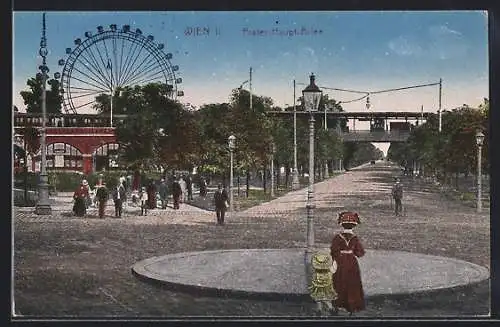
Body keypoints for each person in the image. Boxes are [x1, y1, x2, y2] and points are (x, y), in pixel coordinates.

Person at [330, 211, 365, 316]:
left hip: (340, 261)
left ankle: (337, 304)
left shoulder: (337, 237)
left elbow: (333, 251)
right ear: (354, 226)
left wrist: (335, 259)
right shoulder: (355, 238)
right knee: (352, 282)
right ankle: (351, 306)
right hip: (351, 262)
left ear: (342, 225)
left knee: (339, 281)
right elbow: (360, 253)